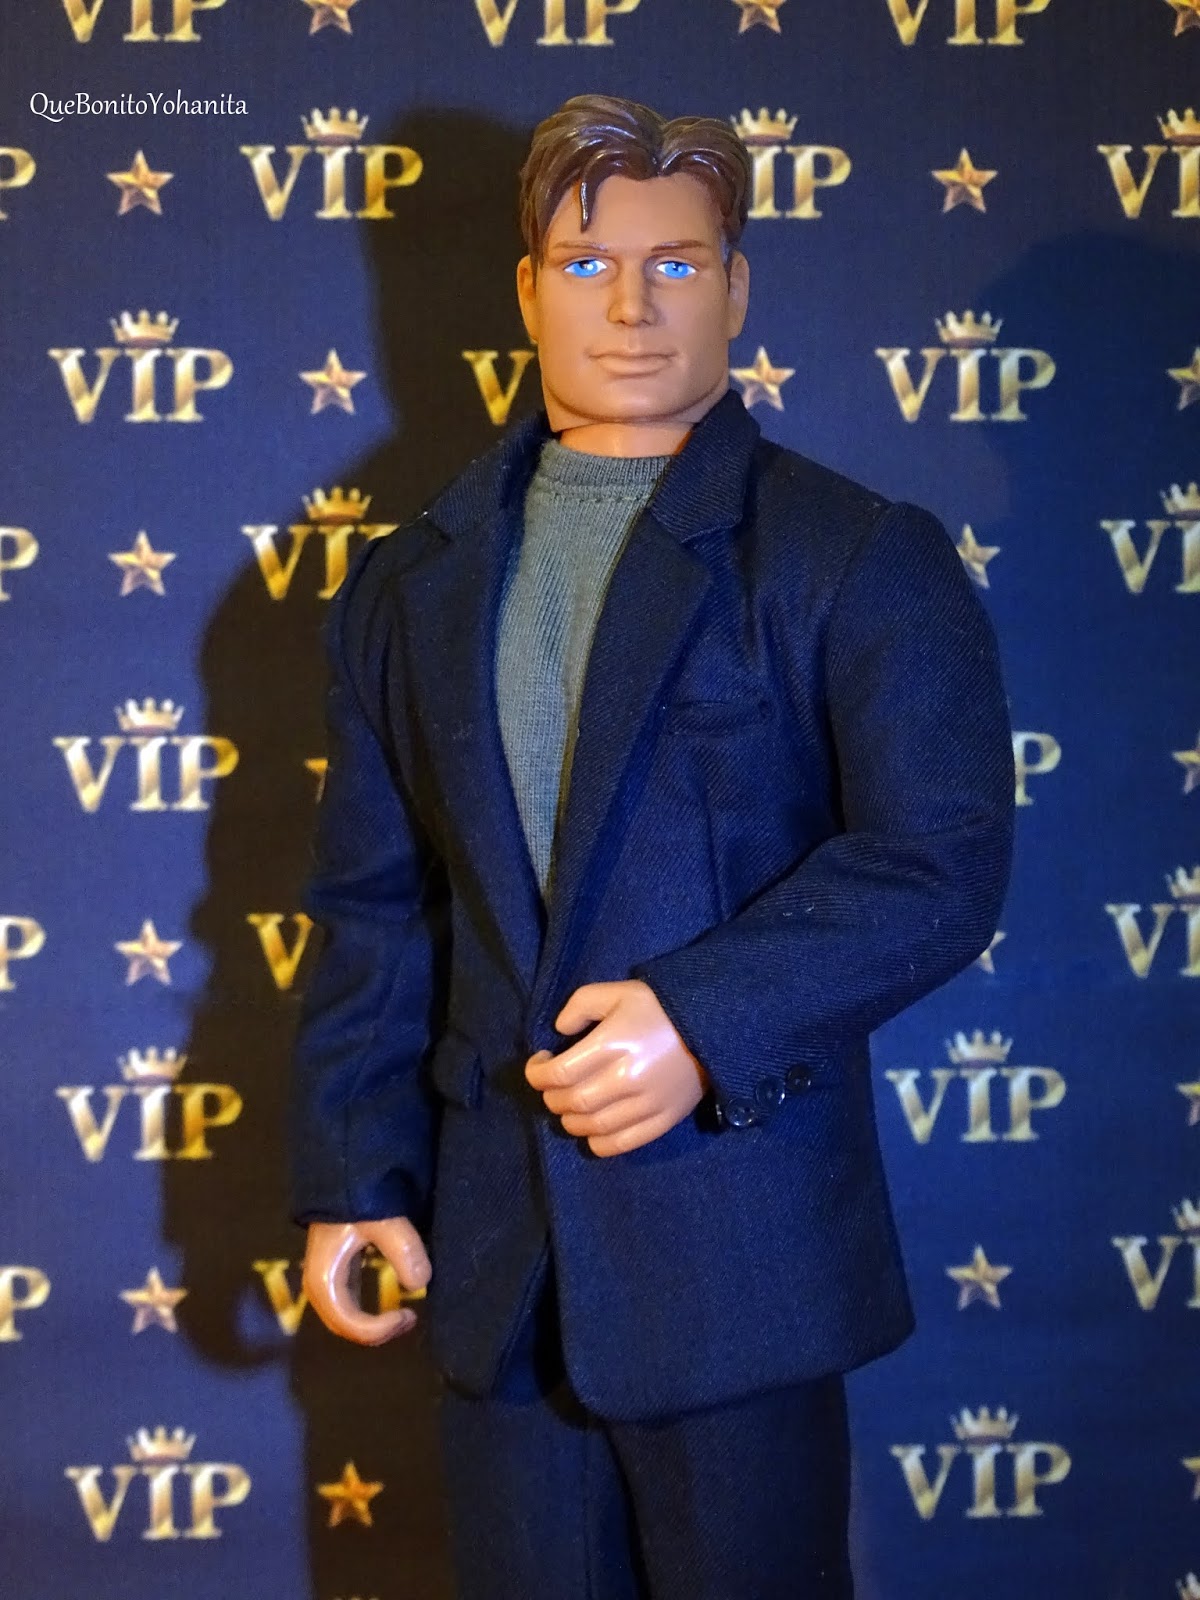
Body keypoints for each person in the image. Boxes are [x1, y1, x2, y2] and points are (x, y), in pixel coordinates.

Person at [289, 92, 1015, 1599]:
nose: (631, 305)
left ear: (737, 287)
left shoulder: (851, 555)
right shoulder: (409, 584)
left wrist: (700, 1017)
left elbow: (936, 861)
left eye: (677, 265)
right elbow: (377, 904)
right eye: (587, 265)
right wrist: (358, 1174)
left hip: (737, 1244)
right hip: (500, 1263)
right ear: (526, 290)